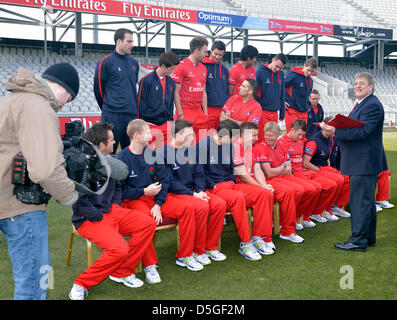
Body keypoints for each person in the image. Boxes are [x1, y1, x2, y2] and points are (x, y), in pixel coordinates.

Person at [0, 62, 80, 300]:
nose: (65, 104)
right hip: (20, 205)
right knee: (35, 283)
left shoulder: (12, 100)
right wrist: (70, 194)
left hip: (6, 199)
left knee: (33, 278)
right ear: (64, 89)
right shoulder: (38, 106)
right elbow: (45, 170)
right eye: (69, 97)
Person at [69, 123, 157, 300]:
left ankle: (122, 272)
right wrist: (100, 215)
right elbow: (79, 203)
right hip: (88, 218)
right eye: (111, 140)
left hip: (112, 211)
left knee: (148, 223)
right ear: (101, 144)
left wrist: (114, 207)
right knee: (120, 249)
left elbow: (117, 188)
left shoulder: (112, 162)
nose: (115, 142)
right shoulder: (81, 165)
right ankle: (81, 283)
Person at [117, 119, 203, 271]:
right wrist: (143, 191)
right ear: (136, 135)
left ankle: (185, 255)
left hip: (155, 197)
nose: (151, 135)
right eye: (148, 132)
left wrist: (158, 203)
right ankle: (149, 265)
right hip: (134, 200)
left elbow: (165, 180)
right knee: (145, 221)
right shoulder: (121, 158)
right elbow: (121, 191)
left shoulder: (153, 154)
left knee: (187, 209)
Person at [323, 72, 385, 251]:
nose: (357, 86)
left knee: (359, 202)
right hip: (362, 161)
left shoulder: (371, 105)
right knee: (365, 202)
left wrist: (335, 130)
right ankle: (368, 238)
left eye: (362, 83)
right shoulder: (363, 104)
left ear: (371, 87)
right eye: (356, 83)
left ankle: (357, 241)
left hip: (363, 162)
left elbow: (362, 132)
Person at [158, 120, 227, 263]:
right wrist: (194, 195)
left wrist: (201, 191)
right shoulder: (162, 154)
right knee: (201, 207)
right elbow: (170, 183)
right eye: (189, 135)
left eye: (193, 135)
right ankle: (197, 250)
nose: (193, 138)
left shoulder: (192, 151)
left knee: (219, 204)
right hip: (176, 194)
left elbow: (199, 174)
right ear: (177, 135)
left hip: (195, 191)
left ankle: (211, 247)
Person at [197, 120, 262, 261]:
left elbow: (230, 169)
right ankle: (246, 242)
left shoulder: (229, 146)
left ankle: (261, 237)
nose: (237, 140)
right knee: (238, 197)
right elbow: (199, 173)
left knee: (259, 193)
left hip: (229, 184)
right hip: (213, 187)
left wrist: (231, 181)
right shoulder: (203, 146)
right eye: (234, 137)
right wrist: (213, 185)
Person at [255, 122, 319, 242]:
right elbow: (268, 173)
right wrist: (282, 168)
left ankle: (291, 219)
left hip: (283, 176)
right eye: (266, 135)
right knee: (290, 192)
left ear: (278, 135)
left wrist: (280, 169)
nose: (268, 138)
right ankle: (287, 231)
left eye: (271, 135)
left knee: (310, 189)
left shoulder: (281, 145)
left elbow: (289, 168)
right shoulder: (260, 147)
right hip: (269, 180)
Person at [279, 119, 339, 227]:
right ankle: (295, 218)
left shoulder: (301, 140)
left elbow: (318, 136)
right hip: (292, 174)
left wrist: (325, 127)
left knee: (328, 185)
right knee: (312, 189)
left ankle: (308, 215)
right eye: (299, 134)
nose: (301, 137)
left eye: (302, 135)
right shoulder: (282, 142)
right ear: (292, 129)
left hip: (304, 172)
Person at [94, 28, 140, 153]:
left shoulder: (134, 63)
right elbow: (98, 90)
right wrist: (109, 107)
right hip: (112, 115)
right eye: (129, 41)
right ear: (119, 41)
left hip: (131, 115)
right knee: (108, 151)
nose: (132, 45)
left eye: (132, 42)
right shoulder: (105, 62)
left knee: (132, 152)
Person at [233, 122, 275, 254]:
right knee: (263, 194)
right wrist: (261, 187)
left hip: (249, 185)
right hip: (236, 185)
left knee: (267, 192)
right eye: (254, 135)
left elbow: (258, 170)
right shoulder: (234, 147)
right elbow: (243, 176)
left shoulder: (251, 148)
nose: (257, 139)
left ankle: (262, 236)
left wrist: (264, 185)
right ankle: (259, 236)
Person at [303, 117, 351, 222]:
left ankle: (337, 206)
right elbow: (305, 163)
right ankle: (318, 211)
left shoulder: (329, 139)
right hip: (316, 169)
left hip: (325, 167)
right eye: (334, 129)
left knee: (348, 178)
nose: (335, 132)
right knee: (337, 181)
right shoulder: (314, 141)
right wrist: (319, 170)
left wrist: (329, 168)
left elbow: (327, 158)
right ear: (326, 129)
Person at [138, 51, 180, 149]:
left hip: (166, 124)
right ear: (164, 66)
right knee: (150, 155)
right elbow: (140, 104)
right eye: (172, 69)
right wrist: (142, 125)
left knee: (166, 154)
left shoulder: (171, 82)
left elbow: (170, 105)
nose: (173, 72)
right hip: (150, 124)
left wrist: (171, 124)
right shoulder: (146, 80)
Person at [172, 36, 209, 142]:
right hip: (185, 111)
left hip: (199, 112)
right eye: (204, 52)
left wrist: (205, 113)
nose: (206, 55)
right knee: (185, 145)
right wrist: (180, 113)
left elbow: (203, 91)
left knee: (201, 145)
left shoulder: (203, 68)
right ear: (197, 51)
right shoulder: (181, 67)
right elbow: (176, 91)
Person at [255, 53, 287, 142]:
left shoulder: (280, 74)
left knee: (272, 139)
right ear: (273, 60)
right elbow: (254, 93)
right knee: (262, 138)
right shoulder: (260, 72)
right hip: (262, 111)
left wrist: (282, 113)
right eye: (277, 66)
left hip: (274, 113)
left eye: (280, 68)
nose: (277, 69)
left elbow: (282, 94)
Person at [284, 57, 318, 132]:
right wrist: (282, 100)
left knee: (301, 136)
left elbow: (308, 95)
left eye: (312, 72)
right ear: (304, 65)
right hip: (292, 110)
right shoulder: (294, 76)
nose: (309, 73)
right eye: (308, 70)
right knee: (292, 134)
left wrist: (308, 105)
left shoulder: (310, 81)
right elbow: (280, 86)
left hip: (304, 112)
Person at [203, 40, 229, 132]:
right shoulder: (203, 66)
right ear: (211, 50)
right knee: (208, 137)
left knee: (222, 136)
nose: (217, 57)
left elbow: (227, 89)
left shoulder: (224, 69)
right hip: (208, 108)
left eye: (220, 55)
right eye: (215, 53)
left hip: (222, 109)